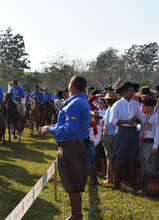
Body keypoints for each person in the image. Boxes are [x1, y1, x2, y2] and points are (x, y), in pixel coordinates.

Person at [38, 75, 91, 220]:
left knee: (72, 183)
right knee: (73, 182)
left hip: (71, 148)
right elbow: (65, 126)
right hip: (76, 146)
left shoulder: (74, 104)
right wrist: (50, 127)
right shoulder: (81, 101)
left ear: (71, 85)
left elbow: (69, 130)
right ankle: (76, 214)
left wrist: (50, 130)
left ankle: (76, 216)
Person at [109, 82, 143, 191]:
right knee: (119, 155)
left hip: (133, 132)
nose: (132, 93)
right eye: (130, 91)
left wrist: (135, 120)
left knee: (132, 156)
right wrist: (126, 121)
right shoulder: (117, 104)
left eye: (133, 91)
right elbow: (112, 120)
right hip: (122, 131)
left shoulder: (136, 104)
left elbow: (141, 119)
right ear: (123, 92)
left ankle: (132, 182)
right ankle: (116, 182)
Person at [139, 97, 159, 175]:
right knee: (143, 163)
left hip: (151, 142)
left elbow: (158, 132)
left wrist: (155, 146)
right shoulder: (143, 117)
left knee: (151, 164)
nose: (145, 107)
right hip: (143, 142)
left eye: (148, 106)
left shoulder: (156, 117)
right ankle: (144, 182)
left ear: (153, 107)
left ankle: (151, 183)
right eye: (144, 105)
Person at [102, 91, 118, 184]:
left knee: (109, 157)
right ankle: (115, 177)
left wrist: (104, 135)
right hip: (117, 134)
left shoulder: (109, 110)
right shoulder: (117, 109)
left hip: (109, 135)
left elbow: (107, 124)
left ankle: (109, 178)